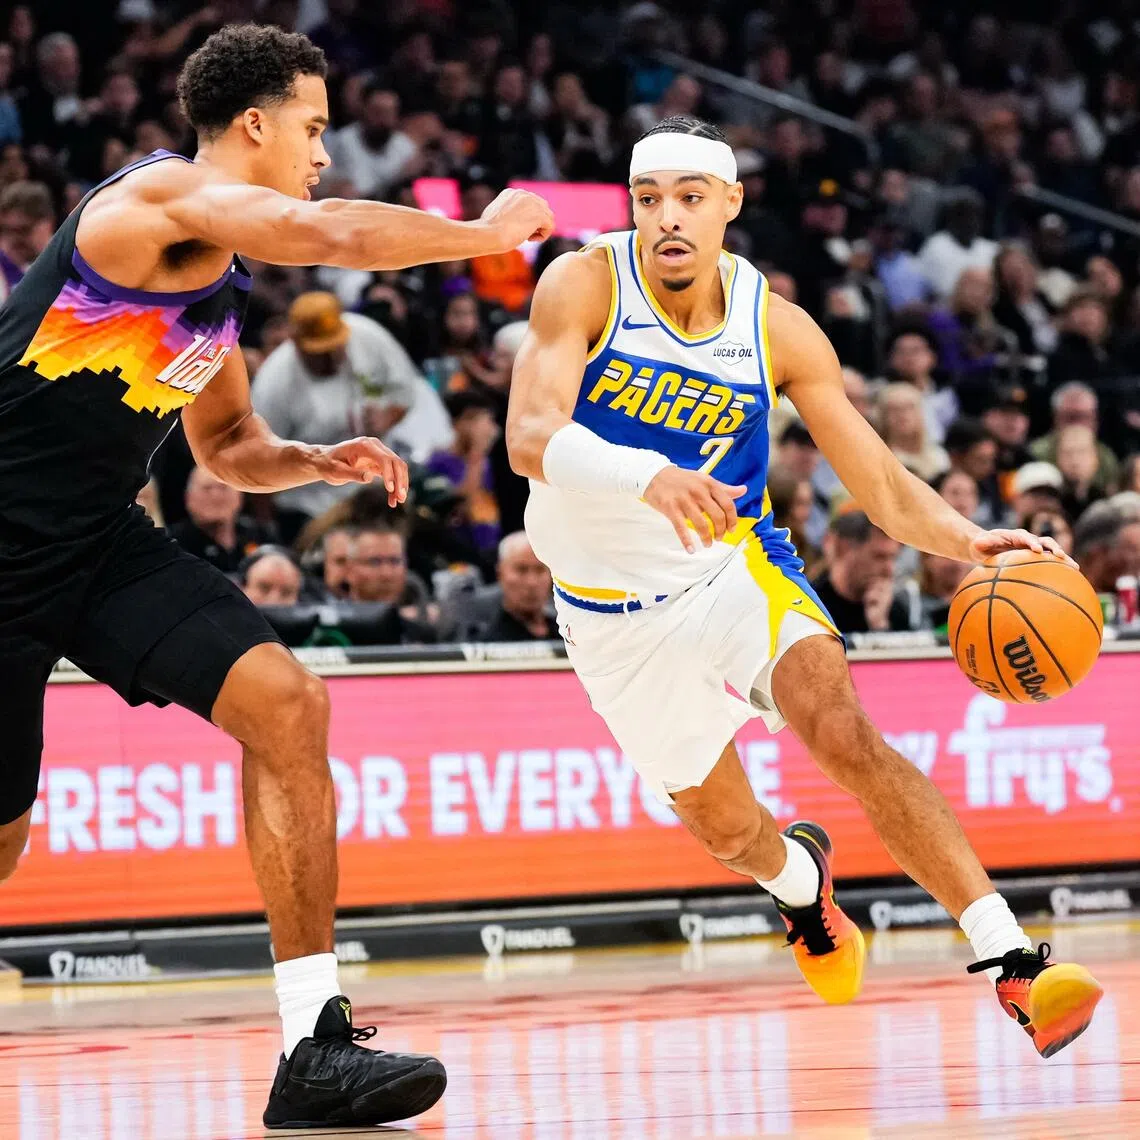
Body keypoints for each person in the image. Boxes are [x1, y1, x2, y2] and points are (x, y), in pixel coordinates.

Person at [0, 22, 552, 1131]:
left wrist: (308, 459)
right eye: (312, 128)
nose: (321, 152)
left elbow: (225, 442)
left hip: (97, 543)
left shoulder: (213, 274)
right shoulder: (147, 206)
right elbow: (322, 229)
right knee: (2, 841)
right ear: (253, 124)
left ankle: (314, 1043)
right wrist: (479, 230)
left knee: (288, 704)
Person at [507, 114, 1100, 1057]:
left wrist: (966, 540)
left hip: (731, 570)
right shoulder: (584, 283)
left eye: (691, 199)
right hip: (609, 615)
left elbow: (876, 480)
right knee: (731, 832)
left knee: (844, 729)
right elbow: (530, 435)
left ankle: (1014, 961)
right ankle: (798, 884)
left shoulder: (775, 326)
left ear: (730, 206)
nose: (668, 217)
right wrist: (647, 475)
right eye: (649, 198)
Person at [252, 290, 451, 541]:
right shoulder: (274, 383)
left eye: (334, 346)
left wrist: (388, 417)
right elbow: (259, 459)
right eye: (318, 352)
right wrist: (266, 526)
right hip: (311, 503)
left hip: (373, 489)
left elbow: (405, 390)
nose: (330, 357)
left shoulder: (368, 336)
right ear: (296, 342)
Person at [169, 464, 274, 573]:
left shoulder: (260, 536)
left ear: (240, 496)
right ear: (188, 498)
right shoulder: (174, 544)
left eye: (223, 488)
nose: (216, 496)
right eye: (207, 488)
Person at [475, 531, 558, 641]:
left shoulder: (569, 635)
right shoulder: (487, 643)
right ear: (500, 574)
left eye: (540, 570)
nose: (531, 582)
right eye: (521, 570)